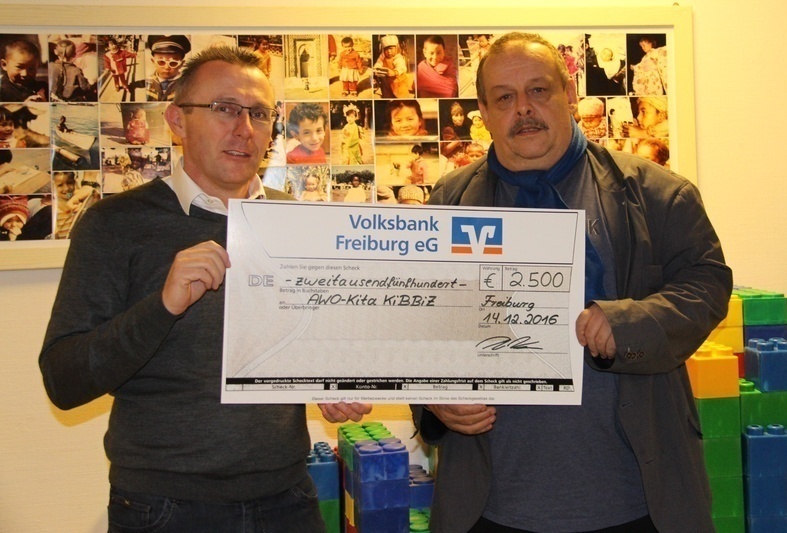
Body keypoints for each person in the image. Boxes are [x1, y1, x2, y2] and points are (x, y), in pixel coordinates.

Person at [39, 45, 370, 532]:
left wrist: (331, 384)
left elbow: (315, 346)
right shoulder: (114, 224)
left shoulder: (298, 223)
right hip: (163, 506)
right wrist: (162, 306)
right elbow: (62, 381)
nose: (245, 128)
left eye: (259, 113)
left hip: (288, 497)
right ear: (177, 120)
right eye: (224, 109)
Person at [411, 32, 731, 533]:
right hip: (490, 503)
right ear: (484, 112)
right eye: (504, 98)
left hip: (638, 499)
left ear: (570, 95)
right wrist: (433, 397)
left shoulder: (657, 192)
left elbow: (707, 285)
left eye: (538, 90)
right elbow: (418, 323)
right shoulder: (448, 202)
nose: (523, 109)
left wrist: (629, 322)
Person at [142, 35, 191, 101]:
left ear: (181, 64)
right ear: (153, 62)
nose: (167, 67)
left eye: (173, 63)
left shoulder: (187, 86)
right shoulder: (146, 84)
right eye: (161, 62)